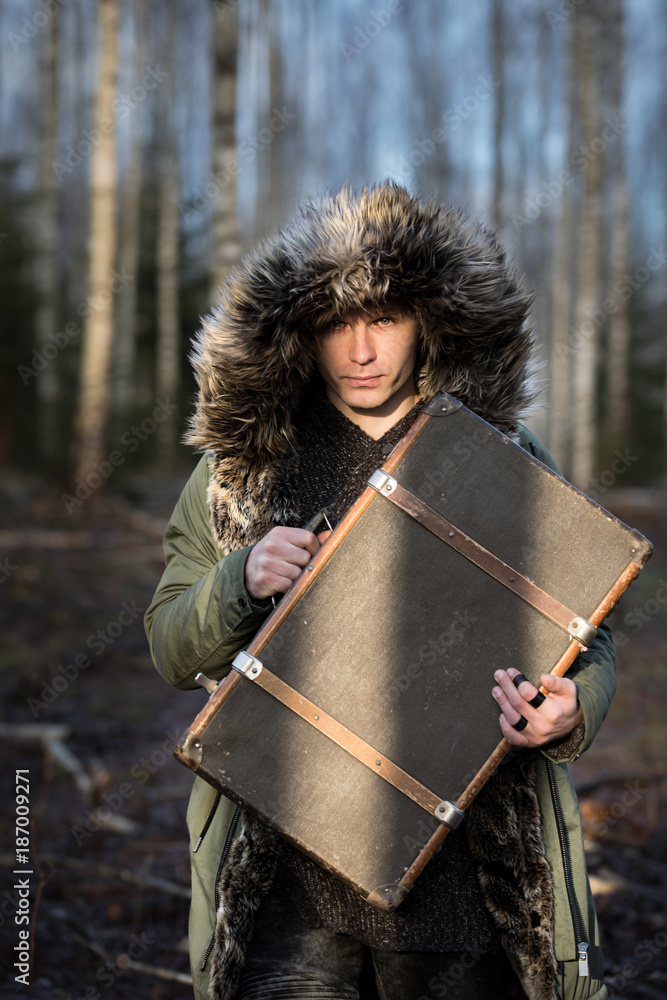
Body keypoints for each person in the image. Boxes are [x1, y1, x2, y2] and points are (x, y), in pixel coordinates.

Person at [145, 182, 615, 1000]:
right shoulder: (241, 473)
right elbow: (168, 647)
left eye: (384, 319)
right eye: (336, 323)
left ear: (428, 322)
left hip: (462, 898)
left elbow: (587, 629)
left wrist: (570, 707)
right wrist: (239, 581)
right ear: (301, 331)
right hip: (286, 897)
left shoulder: (498, 453)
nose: (361, 350)